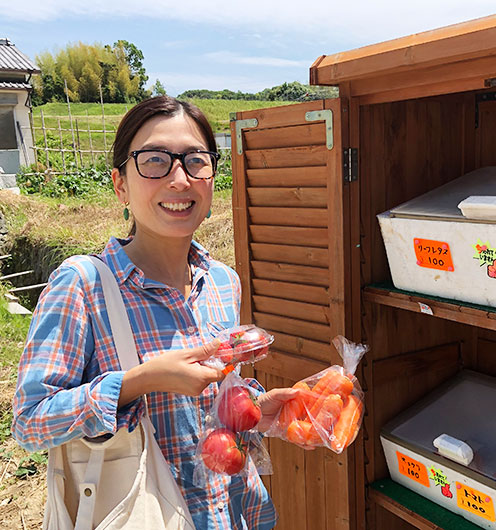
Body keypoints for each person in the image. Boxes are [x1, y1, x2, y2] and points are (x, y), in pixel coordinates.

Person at [12, 96, 296, 529]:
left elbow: (214, 401)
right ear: (120, 184)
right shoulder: (84, 286)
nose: (180, 179)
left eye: (195, 161)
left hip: (235, 514)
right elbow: (30, 422)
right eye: (155, 160)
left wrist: (257, 406)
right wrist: (141, 380)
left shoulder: (222, 281)